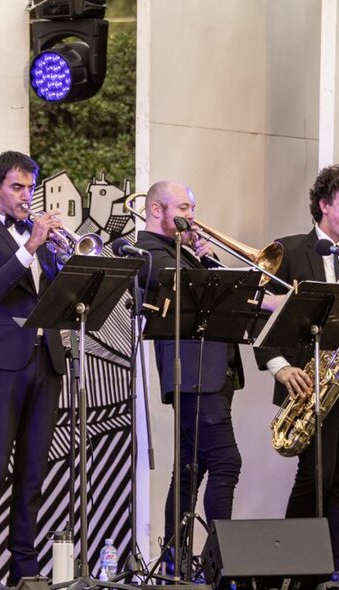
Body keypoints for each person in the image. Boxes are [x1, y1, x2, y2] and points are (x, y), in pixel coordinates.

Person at [254, 162, 339, 579]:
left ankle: (334, 569)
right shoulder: (290, 251)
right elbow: (260, 315)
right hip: (312, 382)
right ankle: (291, 568)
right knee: (314, 478)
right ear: (324, 205)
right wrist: (280, 367)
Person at [0, 151, 67, 590]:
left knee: (33, 471)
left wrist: (63, 260)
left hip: (47, 360)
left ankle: (25, 566)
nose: (26, 196)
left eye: (30, 187)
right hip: (1, 362)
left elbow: (60, 293)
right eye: (17, 187)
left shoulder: (40, 240)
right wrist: (32, 246)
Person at [133, 180, 244, 572]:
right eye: (184, 207)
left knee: (189, 469)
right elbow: (182, 290)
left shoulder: (186, 253)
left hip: (212, 372)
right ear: (156, 210)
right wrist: (201, 262)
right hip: (191, 373)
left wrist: (209, 258)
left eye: (193, 208)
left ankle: (175, 564)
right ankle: (219, 564)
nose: (192, 216)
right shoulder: (146, 250)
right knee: (226, 461)